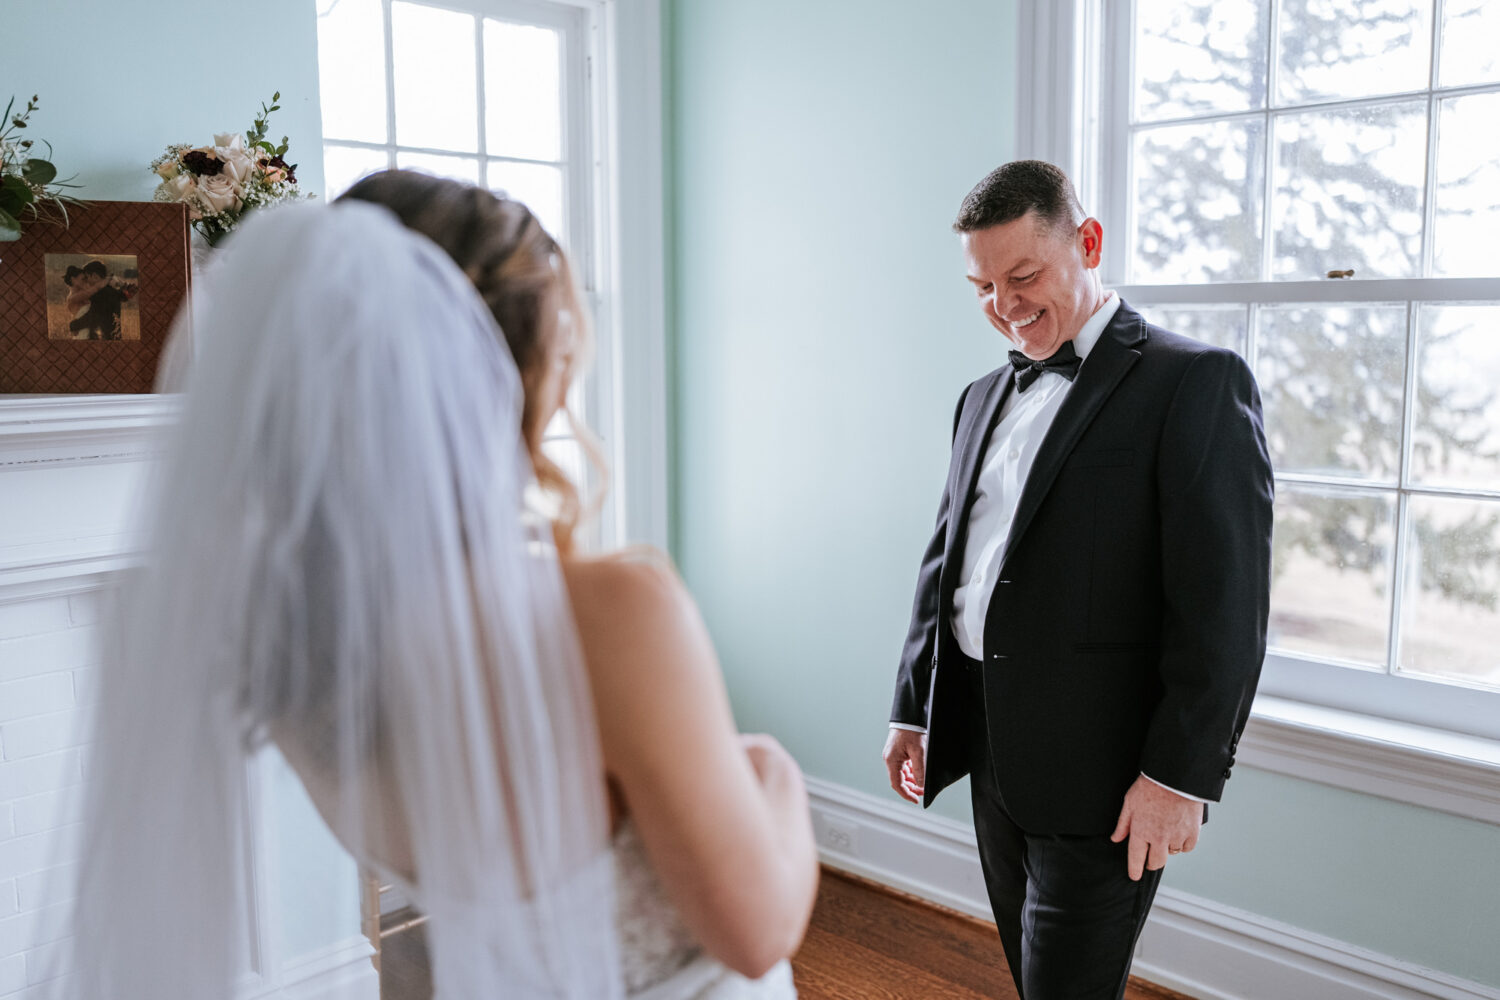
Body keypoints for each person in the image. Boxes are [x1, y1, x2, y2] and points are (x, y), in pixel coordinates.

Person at [58, 181, 816, 1000]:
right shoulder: (611, 615)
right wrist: (775, 777)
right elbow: (755, 932)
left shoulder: (284, 640)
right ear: (511, 366)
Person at [882, 160, 1273, 1000]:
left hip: (1109, 779)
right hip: (989, 749)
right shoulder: (981, 395)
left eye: (1024, 276)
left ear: (1088, 243)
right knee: (1035, 981)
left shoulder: (1193, 383)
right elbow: (948, 559)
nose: (1004, 306)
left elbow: (1225, 607)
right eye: (982, 286)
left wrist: (1180, 780)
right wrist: (913, 705)